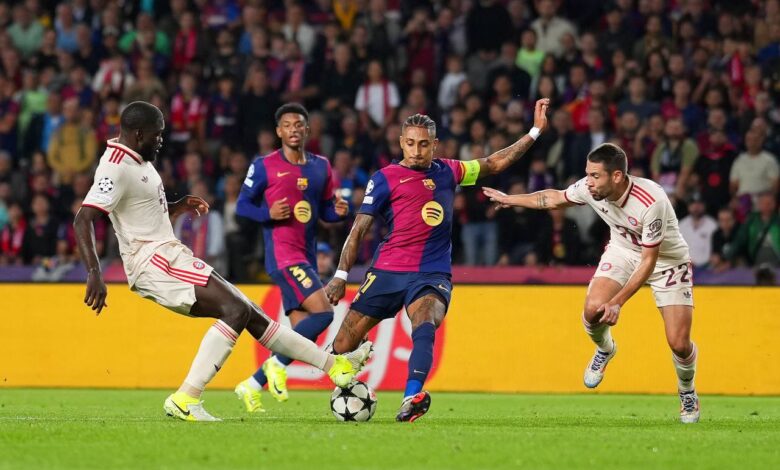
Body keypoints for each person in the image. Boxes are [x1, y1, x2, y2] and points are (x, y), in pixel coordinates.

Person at [74, 101, 371, 422]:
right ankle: (186, 397)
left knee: (251, 314)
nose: (161, 141)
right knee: (237, 310)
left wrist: (175, 206)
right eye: (157, 136)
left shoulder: (140, 157)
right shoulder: (115, 165)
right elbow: (84, 218)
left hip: (168, 254)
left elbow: (137, 206)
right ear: (138, 133)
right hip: (152, 261)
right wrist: (95, 271)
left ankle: (335, 367)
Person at [325, 98, 550, 422]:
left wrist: (534, 132)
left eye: (424, 144)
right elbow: (360, 228)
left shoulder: (450, 171)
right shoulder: (385, 177)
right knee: (342, 346)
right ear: (401, 142)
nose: (417, 151)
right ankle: (357, 358)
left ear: (435, 145)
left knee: (425, 320)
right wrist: (341, 276)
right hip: (387, 271)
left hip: (431, 273)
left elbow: (495, 163)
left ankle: (411, 397)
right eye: (411, 144)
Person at [483, 143, 700, 424]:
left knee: (679, 343)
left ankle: (687, 392)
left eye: (595, 175)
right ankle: (605, 348)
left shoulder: (652, 201)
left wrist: (618, 302)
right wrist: (511, 199)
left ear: (617, 176)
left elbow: (649, 261)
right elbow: (553, 198)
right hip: (623, 251)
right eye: (588, 174)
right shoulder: (590, 188)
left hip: (667, 262)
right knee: (592, 310)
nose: (589, 181)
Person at [233, 103, 349, 412]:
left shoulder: (322, 166)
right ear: (278, 132)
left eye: (299, 124)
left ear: (308, 129)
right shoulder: (264, 165)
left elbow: (323, 208)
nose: (293, 129)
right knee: (324, 314)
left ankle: (252, 384)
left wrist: (337, 213)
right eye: (287, 125)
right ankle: (275, 366)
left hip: (306, 256)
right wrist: (266, 214)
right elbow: (242, 206)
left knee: (301, 336)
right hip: (283, 256)